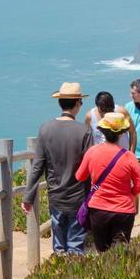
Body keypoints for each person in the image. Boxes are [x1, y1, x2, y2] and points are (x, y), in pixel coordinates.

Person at [23, 83, 93, 255]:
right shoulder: (84, 131)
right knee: (76, 246)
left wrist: (28, 197)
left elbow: (37, 166)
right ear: (77, 103)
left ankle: (58, 275)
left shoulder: (45, 129)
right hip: (79, 198)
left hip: (56, 197)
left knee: (59, 247)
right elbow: (91, 167)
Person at [75, 112, 140, 251]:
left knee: (102, 251)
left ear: (102, 131)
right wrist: (128, 193)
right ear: (121, 133)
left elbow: (79, 176)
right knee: (120, 253)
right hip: (124, 210)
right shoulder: (129, 156)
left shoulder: (92, 151)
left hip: (98, 209)